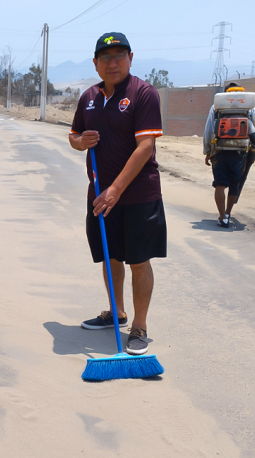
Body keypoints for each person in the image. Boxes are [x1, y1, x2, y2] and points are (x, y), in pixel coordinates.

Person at [68, 32, 166, 356]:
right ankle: (117, 312)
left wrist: (116, 189)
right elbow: (73, 134)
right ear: (96, 64)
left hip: (137, 195)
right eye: (106, 57)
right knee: (110, 258)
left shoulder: (143, 94)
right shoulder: (89, 98)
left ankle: (139, 326)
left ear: (131, 58)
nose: (113, 63)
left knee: (139, 260)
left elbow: (145, 146)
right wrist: (81, 142)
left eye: (119, 56)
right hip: (99, 194)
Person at [203, 82, 255, 227]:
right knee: (234, 184)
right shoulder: (249, 108)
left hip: (219, 152)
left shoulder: (216, 107)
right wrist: (253, 153)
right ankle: (228, 213)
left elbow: (209, 129)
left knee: (220, 185)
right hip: (239, 153)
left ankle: (222, 217)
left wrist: (208, 151)